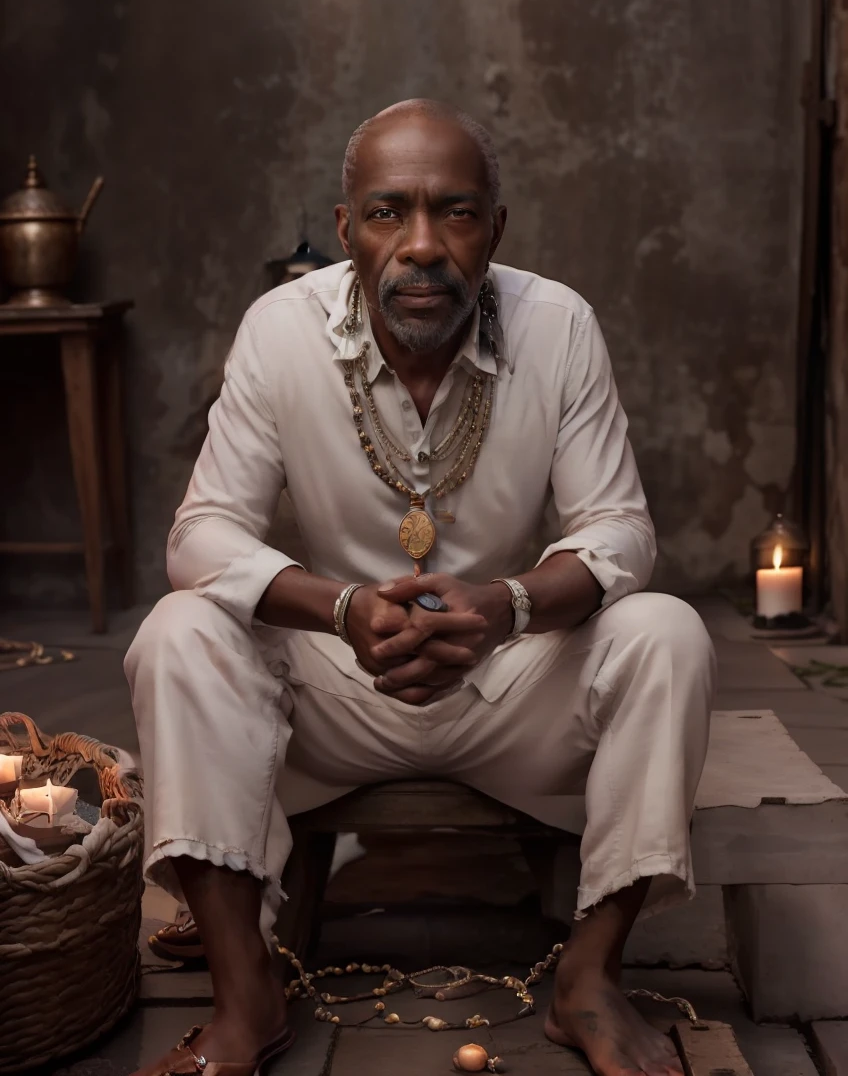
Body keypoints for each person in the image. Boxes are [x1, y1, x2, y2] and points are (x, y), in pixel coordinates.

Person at [127, 99, 715, 1076]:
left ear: (496, 228)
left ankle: (586, 981)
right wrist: (342, 609)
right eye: (390, 212)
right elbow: (201, 535)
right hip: (331, 698)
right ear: (346, 225)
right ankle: (245, 999)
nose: (423, 246)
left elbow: (619, 532)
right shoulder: (281, 330)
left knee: (664, 631)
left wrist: (506, 606)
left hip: (508, 684)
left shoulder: (557, 324)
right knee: (178, 631)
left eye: (456, 212)